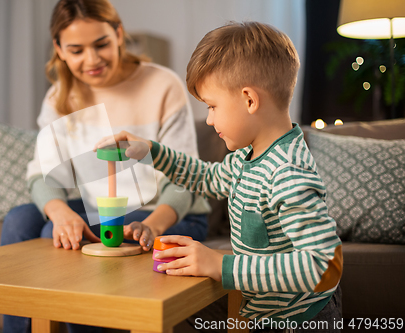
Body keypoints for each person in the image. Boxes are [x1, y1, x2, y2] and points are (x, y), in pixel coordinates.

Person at [100, 22, 343, 332]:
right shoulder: (247, 158)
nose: (210, 119)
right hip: (267, 309)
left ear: (249, 100)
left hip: (302, 318)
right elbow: (205, 178)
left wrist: (219, 264)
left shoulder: (288, 172)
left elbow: (324, 266)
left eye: (212, 106)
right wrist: (150, 151)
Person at [0, 0, 210, 332]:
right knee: (19, 220)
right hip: (98, 208)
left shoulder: (162, 85)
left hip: (166, 211)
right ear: (59, 49)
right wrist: (60, 213)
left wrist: (153, 227)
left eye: (101, 44)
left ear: (119, 34)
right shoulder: (59, 97)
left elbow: (183, 180)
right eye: (76, 50)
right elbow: (41, 173)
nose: (92, 60)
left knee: (67, 240)